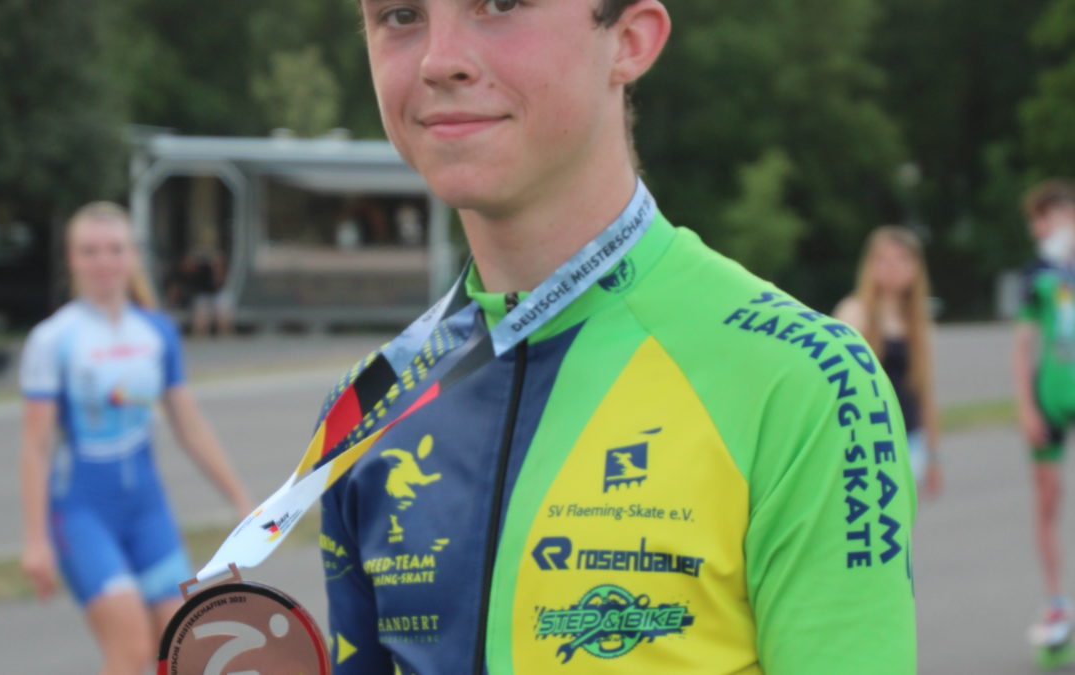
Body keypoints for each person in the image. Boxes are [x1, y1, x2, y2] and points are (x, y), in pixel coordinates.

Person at [316, 1, 916, 673]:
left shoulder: (805, 379)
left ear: (630, 40)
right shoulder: (368, 405)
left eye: (500, 3)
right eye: (399, 14)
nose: (437, 58)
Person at [18, 202, 253, 675]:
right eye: (90, 251)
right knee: (129, 653)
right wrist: (35, 540)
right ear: (71, 259)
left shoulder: (157, 333)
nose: (103, 262)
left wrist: (240, 501)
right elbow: (35, 447)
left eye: (114, 250)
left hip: (149, 512)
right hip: (83, 514)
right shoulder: (52, 339)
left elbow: (188, 424)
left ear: (132, 257)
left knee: (179, 649)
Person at [835, 226, 942, 499]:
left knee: (900, 527)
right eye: (882, 259)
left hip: (909, 436)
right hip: (866, 440)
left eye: (901, 259)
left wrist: (934, 455)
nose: (892, 268)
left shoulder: (918, 322)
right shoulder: (854, 314)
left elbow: (924, 389)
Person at [1014, 180, 1075, 647]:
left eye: (1047, 217)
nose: (1039, 228)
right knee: (1048, 500)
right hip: (1050, 396)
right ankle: (1056, 601)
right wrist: (1026, 406)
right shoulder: (1036, 275)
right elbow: (1022, 345)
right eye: (1035, 221)